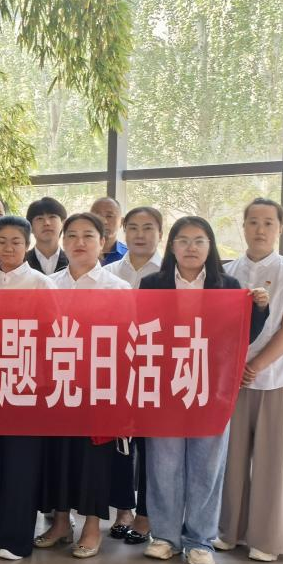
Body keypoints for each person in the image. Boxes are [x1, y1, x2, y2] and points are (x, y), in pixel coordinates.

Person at [140, 217, 269, 564]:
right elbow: (140, 331)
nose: (191, 248)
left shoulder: (228, 286)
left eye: (199, 240)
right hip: (164, 386)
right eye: (183, 240)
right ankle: (164, 537)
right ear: (172, 246)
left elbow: (242, 336)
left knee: (207, 464)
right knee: (163, 464)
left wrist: (259, 309)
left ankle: (200, 541)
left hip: (211, 387)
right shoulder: (152, 284)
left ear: (210, 247)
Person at [220, 198, 283, 561]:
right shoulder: (227, 272)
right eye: (253, 222)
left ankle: (268, 539)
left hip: (277, 377)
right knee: (230, 459)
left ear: (280, 229)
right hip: (231, 380)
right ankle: (228, 531)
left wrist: (257, 365)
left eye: (268, 223)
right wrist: (233, 366)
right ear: (243, 226)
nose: (260, 229)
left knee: (274, 460)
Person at [36, 213, 132, 559]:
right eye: (72, 235)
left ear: (103, 242)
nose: (79, 242)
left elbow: (126, 344)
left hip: (98, 386)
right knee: (59, 454)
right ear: (63, 242)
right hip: (57, 384)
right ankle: (61, 522)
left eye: (88, 235)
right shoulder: (48, 285)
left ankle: (92, 527)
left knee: (94, 458)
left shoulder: (117, 288)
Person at [0, 216, 56, 560]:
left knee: (20, 462)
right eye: (1, 241)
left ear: (27, 245)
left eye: (16, 241)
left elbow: (51, 334)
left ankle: (15, 539)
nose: (8, 248)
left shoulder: (41, 284)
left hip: (25, 382)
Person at [107, 205, 164, 544]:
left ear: (160, 233)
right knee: (119, 444)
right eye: (133, 228)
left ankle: (145, 515)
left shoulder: (170, 272)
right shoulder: (109, 272)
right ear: (123, 232)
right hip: (115, 369)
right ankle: (123, 510)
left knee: (150, 444)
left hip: (156, 369)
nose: (140, 235)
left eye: (148, 228)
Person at [24, 196, 68, 275]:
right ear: (30, 227)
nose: (47, 223)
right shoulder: (21, 261)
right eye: (40, 218)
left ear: (63, 223)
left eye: (52, 217)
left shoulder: (74, 261)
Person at [91, 197, 127, 265]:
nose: (103, 221)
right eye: (97, 215)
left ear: (121, 222)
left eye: (109, 216)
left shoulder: (130, 256)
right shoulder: (76, 254)